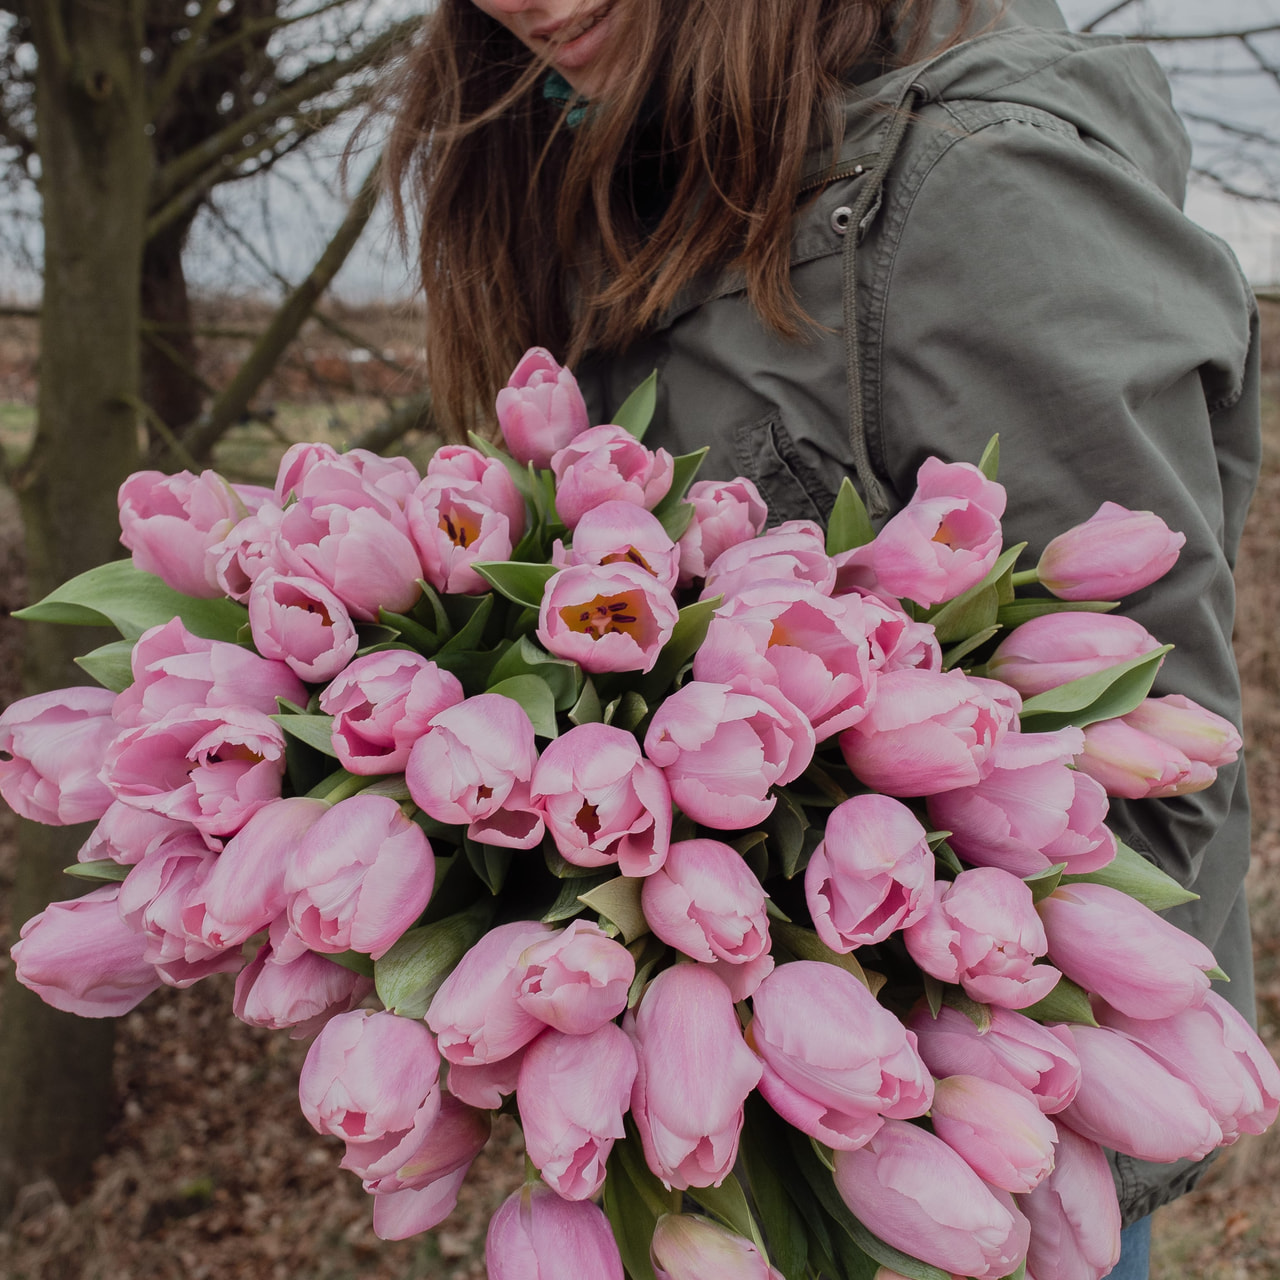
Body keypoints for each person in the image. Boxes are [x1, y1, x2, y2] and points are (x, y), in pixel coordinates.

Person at [385, 1, 1263, 1275]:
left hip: (946, 1170)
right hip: (725, 1130)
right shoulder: (589, 139)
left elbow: (1140, 772)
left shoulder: (978, 189)